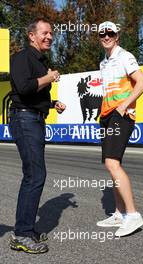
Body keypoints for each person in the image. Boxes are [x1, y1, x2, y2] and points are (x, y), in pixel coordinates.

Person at [9, 18, 66, 253]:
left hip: (33, 117)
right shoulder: (23, 57)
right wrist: (49, 78)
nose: (49, 36)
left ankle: (26, 229)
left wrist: (53, 104)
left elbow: (34, 95)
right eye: (45, 32)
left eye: (51, 33)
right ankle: (21, 233)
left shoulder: (41, 61)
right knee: (35, 175)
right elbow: (23, 88)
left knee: (34, 174)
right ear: (32, 36)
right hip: (24, 119)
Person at [96, 21, 143, 237]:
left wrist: (125, 105)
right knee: (111, 165)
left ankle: (133, 215)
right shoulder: (104, 62)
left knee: (111, 163)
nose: (106, 36)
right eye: (102, 34)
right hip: (108, 117)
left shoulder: (124, 56)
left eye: (110, 33)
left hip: (122, 116)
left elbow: (142, 82)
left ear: (117, 36)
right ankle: (118, 213)